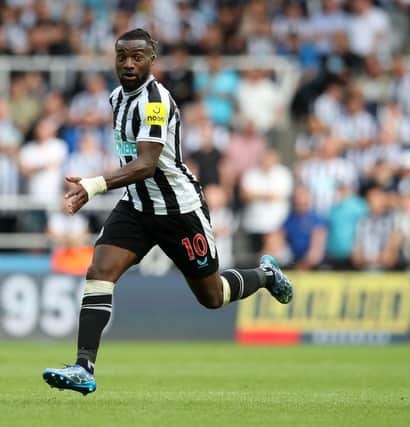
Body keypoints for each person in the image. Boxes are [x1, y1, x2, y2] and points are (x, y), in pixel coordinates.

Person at [42, 29, 293, 395]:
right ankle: (84, 366)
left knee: (213, 296)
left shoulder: (156, 101)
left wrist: (94, 186)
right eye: (122, 56)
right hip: (138, 206)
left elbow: (146, 163)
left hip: (179, 210)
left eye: (137, 56)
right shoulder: (115, 98)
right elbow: (134, 165)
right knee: (99, 271)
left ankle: (267, 275)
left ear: (152, 58)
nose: (129, 63)